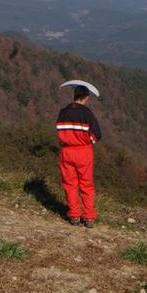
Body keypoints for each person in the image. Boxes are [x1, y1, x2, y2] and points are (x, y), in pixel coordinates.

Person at [55, 84, 102, 227]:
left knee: (70, 184)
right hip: (83, 151)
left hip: (67, 151)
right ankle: (88, 217)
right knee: (86, 185)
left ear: (74, 96)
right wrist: (87, 141)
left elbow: (59, 130)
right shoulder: (87, 114)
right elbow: (96, 135)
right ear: (86, 97)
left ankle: (74, 215)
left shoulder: (63, 112)